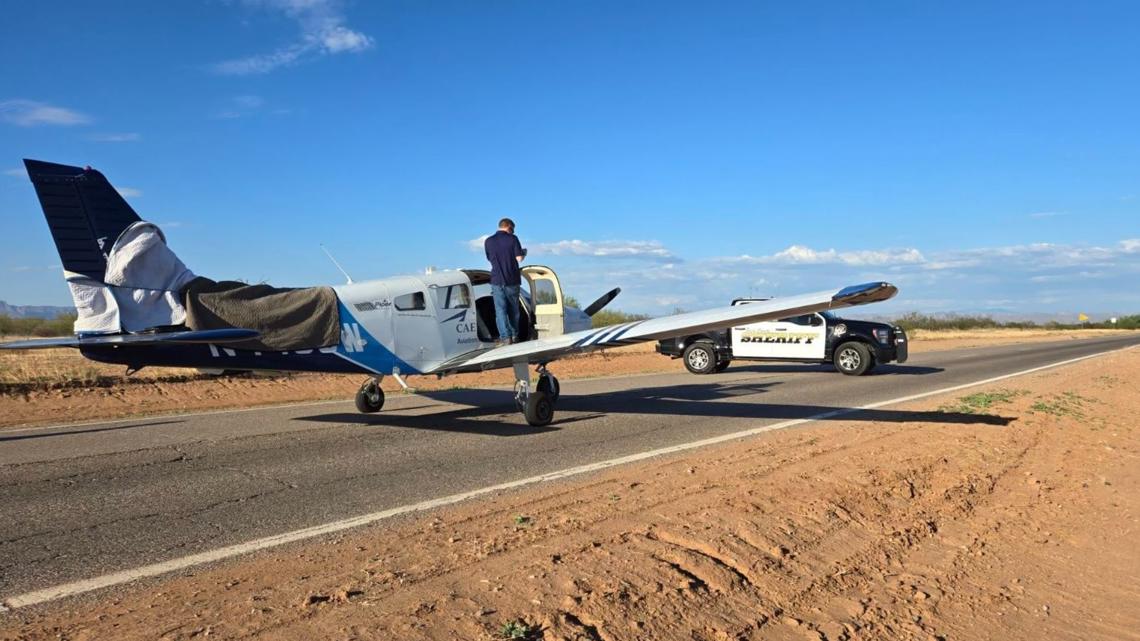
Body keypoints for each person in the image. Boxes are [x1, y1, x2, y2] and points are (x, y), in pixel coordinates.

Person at [484, 218, 527, 344]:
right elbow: (519, 258)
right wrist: (524, 252)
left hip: (496, 280)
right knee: (513, 310)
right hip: (512, 279)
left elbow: (489, 258)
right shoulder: (513, 239)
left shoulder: (488, 241)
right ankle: (514, 335)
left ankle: (505, 337)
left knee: (500, 310)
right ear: (509, 227)